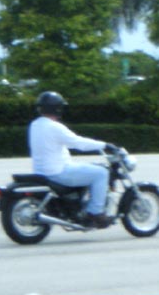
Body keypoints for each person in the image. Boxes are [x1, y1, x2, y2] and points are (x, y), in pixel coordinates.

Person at [29, 90, 117, 229]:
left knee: (90, 168)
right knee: (101, 173)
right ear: (57, 108)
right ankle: (95, 212)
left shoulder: (35, 125)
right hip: (59, 172)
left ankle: (79, 206)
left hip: (42, 171)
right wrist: (104, 145)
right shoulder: (54, 126)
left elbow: (64, 144)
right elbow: (78, 143)